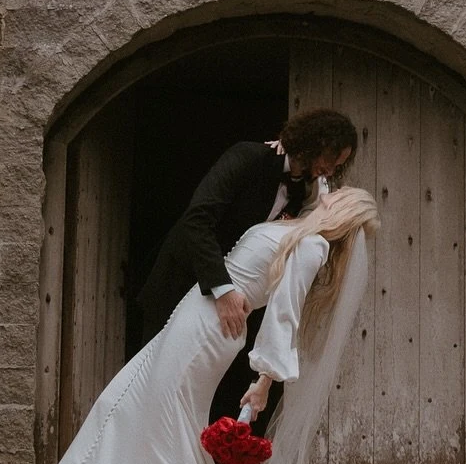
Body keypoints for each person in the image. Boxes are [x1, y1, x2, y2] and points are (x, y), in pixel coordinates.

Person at [38, 187, 400, 464]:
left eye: (341, 191)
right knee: (124, 403)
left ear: (343, 209)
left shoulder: (312, 246)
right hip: (194, 313)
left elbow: (285, 314)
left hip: (212, 331)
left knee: (165, 426)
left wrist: (263, 382)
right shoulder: (296, 226)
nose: (333, 187)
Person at [134, 106, 358, 346]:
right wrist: (223, 290)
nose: (332, 170)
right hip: (179, 288)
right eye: (332, 159)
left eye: (338, 166)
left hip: (232, 312)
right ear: (316, 141)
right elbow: (197, 220)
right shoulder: (248, 157)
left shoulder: (303, 192)